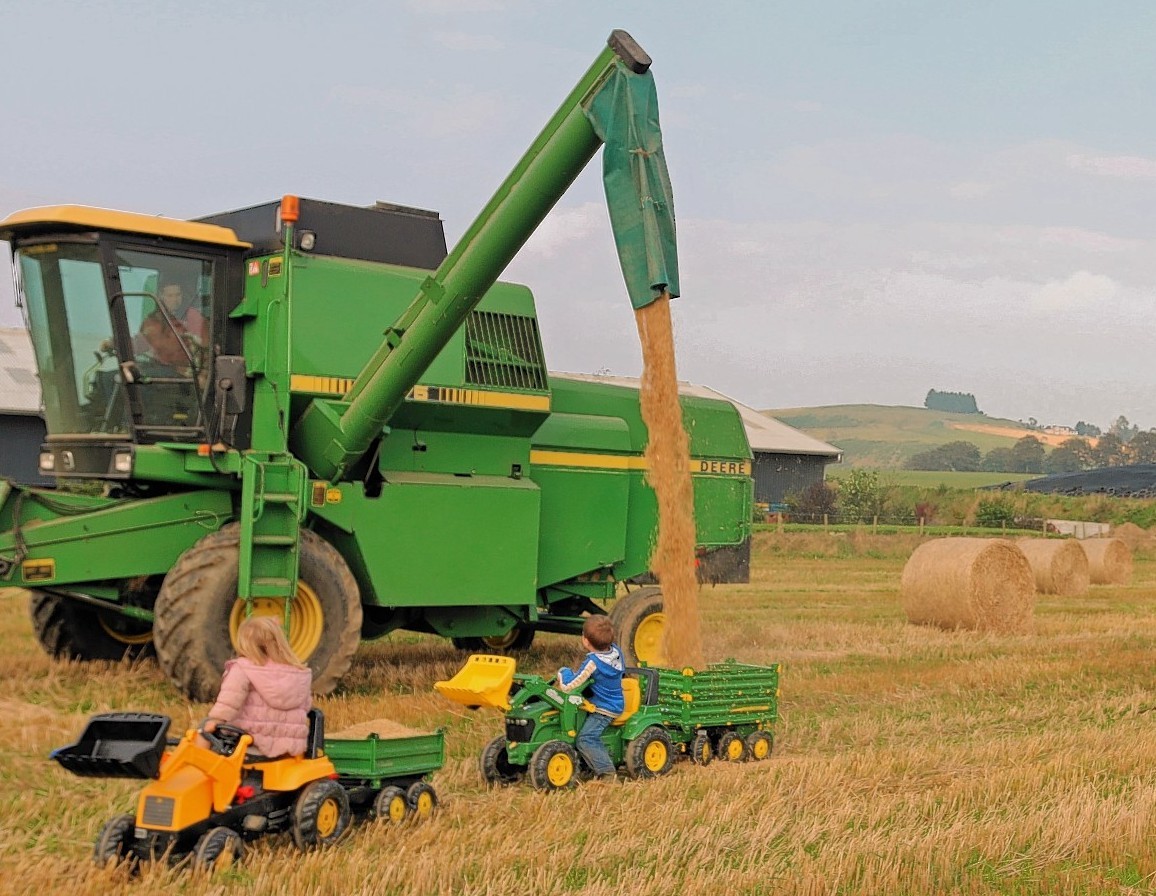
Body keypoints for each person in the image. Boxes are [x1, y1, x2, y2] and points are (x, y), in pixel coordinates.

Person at [197, 616, 313, 758]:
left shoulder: (243, 668)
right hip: (290, 748)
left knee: (204, 729)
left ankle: (196, 768)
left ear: (245, 644)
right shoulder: (299, 673)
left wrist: (215, 721)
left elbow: (229, 701)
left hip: (252, 743)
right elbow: (306, 707)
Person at [554, 615, 625, 782]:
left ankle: (607, 773)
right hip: (610, 699)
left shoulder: (593, 663)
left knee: (586, 738)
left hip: (605, 709)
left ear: (585, 641)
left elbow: (568, 685)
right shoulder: (616, 651)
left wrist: (563, 672)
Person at [137, 311, 209, 389]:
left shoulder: (201, 352)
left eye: (178, 325)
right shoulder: (154, 379)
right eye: (167, 333)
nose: (182, 332)